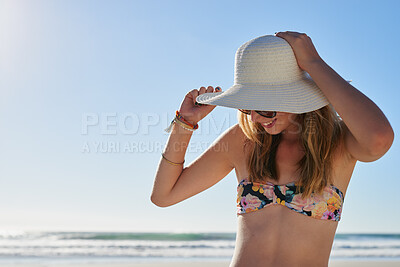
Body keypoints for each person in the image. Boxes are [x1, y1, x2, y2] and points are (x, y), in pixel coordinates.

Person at [150, 32, 394, 267]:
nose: (255, 118)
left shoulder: (339, 142)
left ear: (293, 97)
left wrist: (313, 62)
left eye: (265, 109)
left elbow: (380, 138)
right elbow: (164, 196)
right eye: (247, 107)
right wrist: (184, 124)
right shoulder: (244, 140)